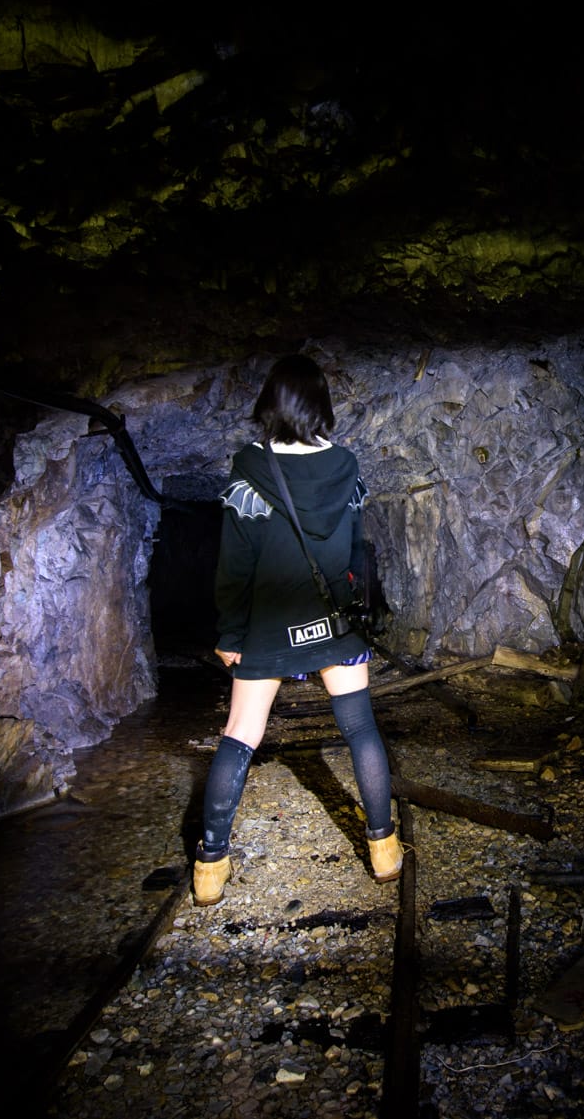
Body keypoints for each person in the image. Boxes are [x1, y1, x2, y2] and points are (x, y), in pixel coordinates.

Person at [196, 353, 400, 906]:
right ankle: (383, 848)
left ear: (272, 403)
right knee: (360, 729)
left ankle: (210, 865)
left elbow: (235, 563)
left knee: (240, 733)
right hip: (332, 623)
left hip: (269, 627)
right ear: (320, 406)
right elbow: (357, 551)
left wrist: (230, 634)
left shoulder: (251, 466)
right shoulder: (347, 465)